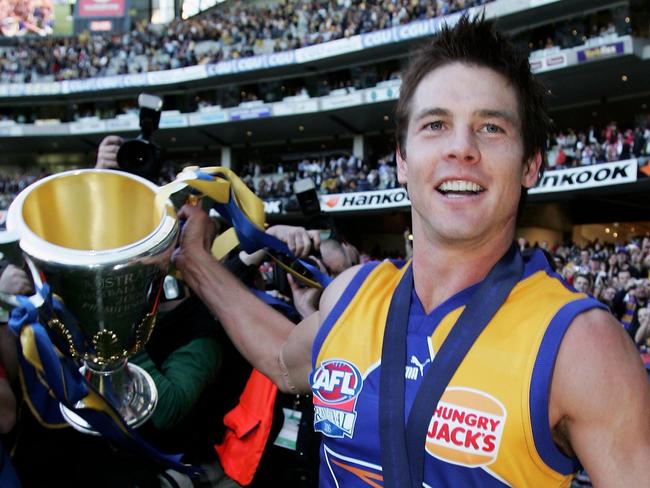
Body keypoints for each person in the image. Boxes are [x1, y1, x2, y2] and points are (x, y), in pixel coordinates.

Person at [173, 16, 650, 487]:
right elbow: (282, 360)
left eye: (491, 128)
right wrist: (196, 264)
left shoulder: (583, 346)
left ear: (530, 164)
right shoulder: (350, 294)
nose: (461, 149)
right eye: (436, 124)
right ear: (402, 160)